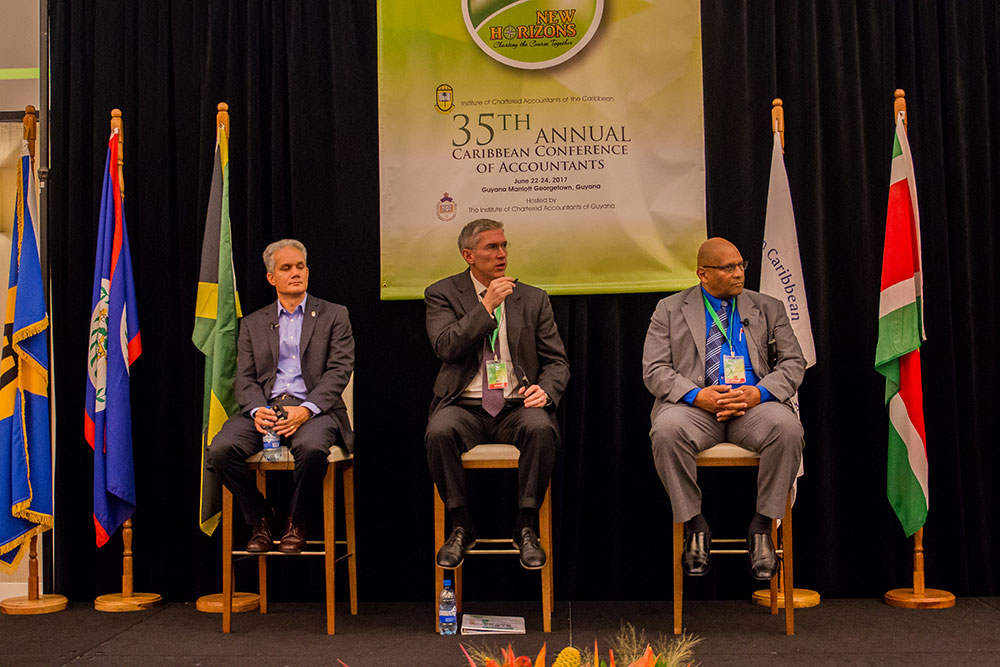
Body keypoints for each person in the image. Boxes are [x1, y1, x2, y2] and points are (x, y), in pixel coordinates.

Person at [642, 237, 805, 580]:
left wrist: (759, 393)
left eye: (741, 265)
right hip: (697, 408)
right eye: (728, 267)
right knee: (666, 431)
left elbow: (793, 363)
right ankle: (695, 526)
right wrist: (696, 395)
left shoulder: (769, 307)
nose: (739, 273)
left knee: (788, 429)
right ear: (703, 273)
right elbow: (654, 370)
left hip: (753, 407)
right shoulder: (669, 309)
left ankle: (762, 527)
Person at [425, 219, 570, 570]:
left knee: (541, 429)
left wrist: (546, 390)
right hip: (464, 405)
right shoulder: (442, 294)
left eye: (504, 246)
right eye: (492, 247)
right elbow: (446, 347)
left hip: (516, 405)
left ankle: (525, 525)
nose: (502, 254)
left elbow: (557, 362)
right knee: (439, 431)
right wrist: (485, 306)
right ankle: (461, 525)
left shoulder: (532, 298)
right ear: (468, 255)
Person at [209, 239, 354, 553]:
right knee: (219, 450)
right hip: (267, 409)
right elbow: (244, 378)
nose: (295, 273)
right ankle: (260, 516)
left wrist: (307, 409)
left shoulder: (334, 315)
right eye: (286, 268)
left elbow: (339, 370)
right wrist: (257, 410)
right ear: (271, 277)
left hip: (314, 410)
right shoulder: (252, 323)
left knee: (312, 450)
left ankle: (296, 522)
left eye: (300, 266)